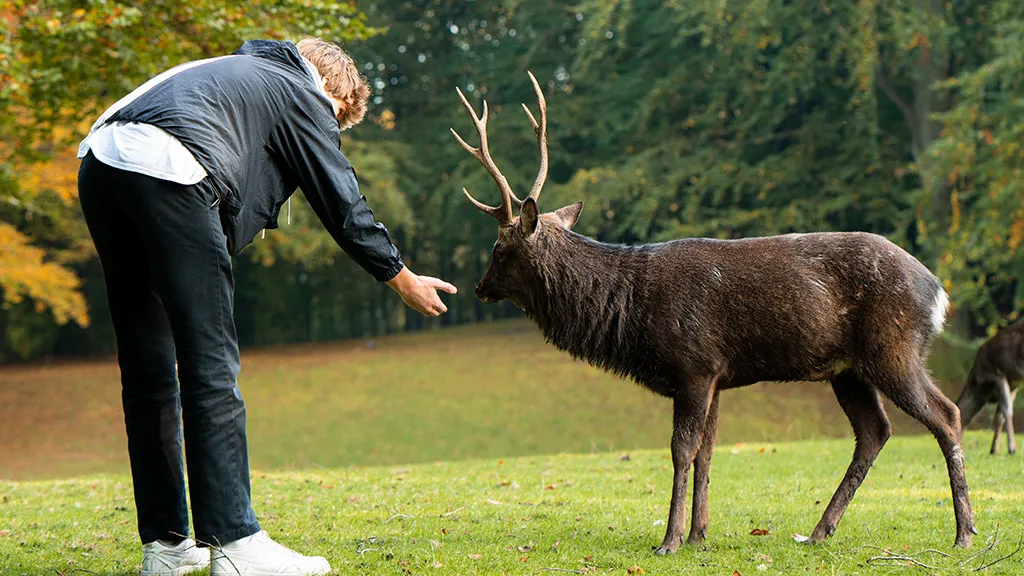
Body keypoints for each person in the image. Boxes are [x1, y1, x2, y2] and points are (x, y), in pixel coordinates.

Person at [75, 37, 456, 576]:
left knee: (148, 370)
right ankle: (235, 543)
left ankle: (166, 547)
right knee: (210, 365)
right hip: (171, 174)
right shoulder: (302, 91)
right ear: (330, 86)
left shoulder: (233, 70)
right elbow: (341, 201)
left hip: (101, 164)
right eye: (336, 120)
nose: (329, 130)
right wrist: (401, 277)